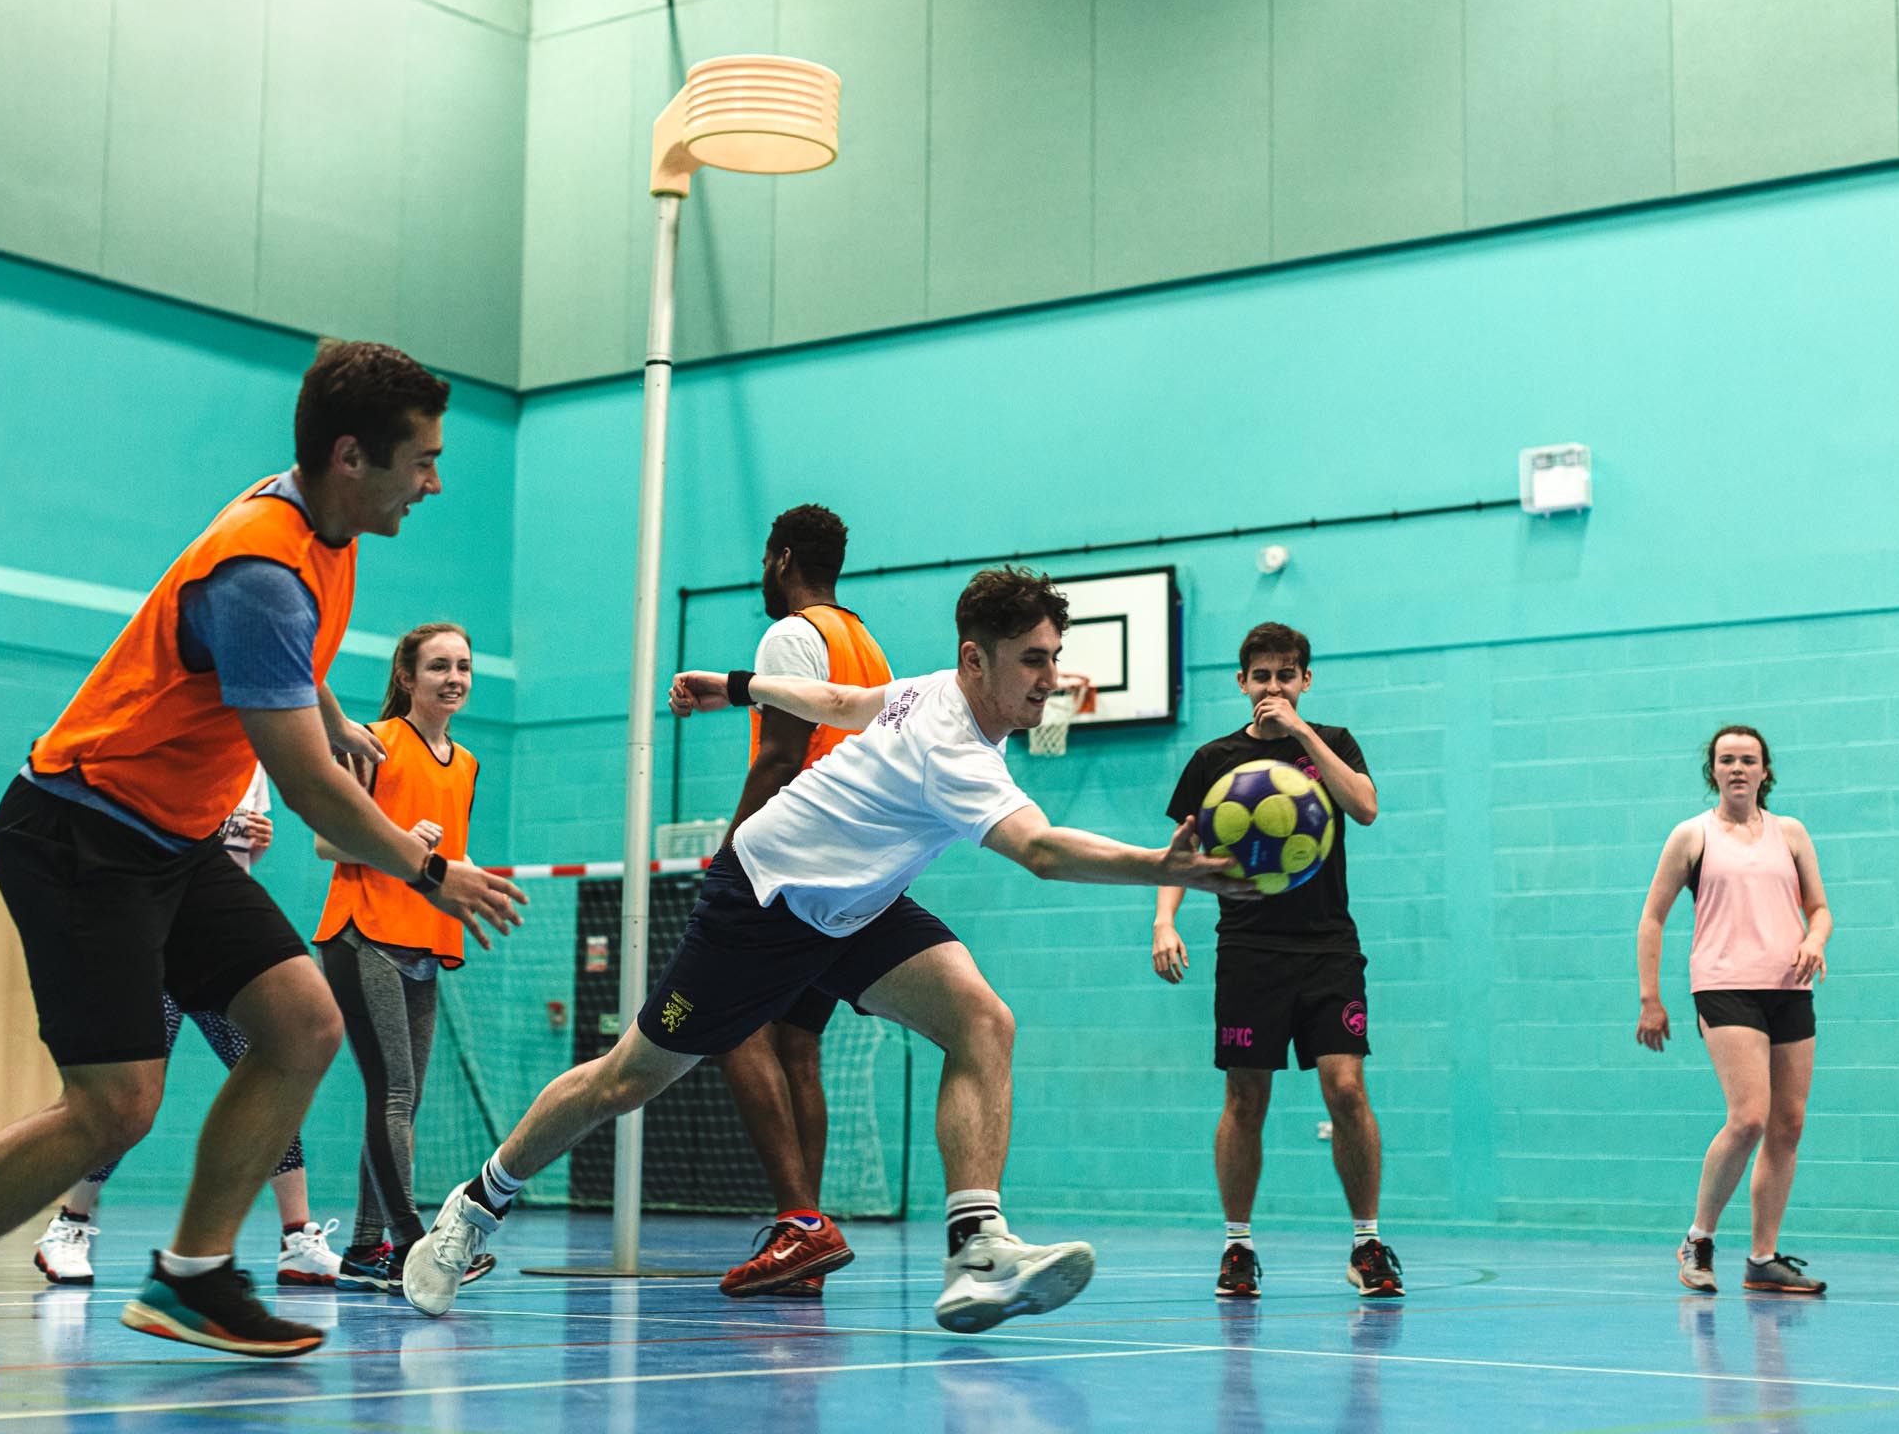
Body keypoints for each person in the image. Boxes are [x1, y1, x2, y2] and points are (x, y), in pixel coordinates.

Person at [0, 342, 525, 1374]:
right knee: (115, 1103)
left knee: (301, 1022)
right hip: (80, 830)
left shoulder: (319, 522)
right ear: (350, 456)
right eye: (419, 460)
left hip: (169, 836)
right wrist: (435, 873)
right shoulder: (262, 569)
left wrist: (325, 704)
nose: (434, 481)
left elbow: (293, 657)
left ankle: (192, 1278)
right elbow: (305, 787)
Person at [397, 567, 1258, 1331]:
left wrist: (735, 685)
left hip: (857, 908)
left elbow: (845, 704)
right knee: (628, 1077)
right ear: (975, 661)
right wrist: (1161, 866)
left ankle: (977, 1250)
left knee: (982, 1022)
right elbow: (1038, 851)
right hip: (764, 900)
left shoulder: (935, 692)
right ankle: (475, 1208)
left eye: (1052, 654)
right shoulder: (956, 748)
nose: (1051, 676)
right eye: (1031, 659)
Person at [1150, 622, 1397, 1300]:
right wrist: (1165, 919)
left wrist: (1304, 733)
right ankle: (1237, 1247)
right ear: (1241, 683)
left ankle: (1367, 1243)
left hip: (1328, 947)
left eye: (1286, 675)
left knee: (1346, 1089)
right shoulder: (1212, 760)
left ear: (1305, 681)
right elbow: (1182, 850)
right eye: (1261, 676)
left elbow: (1367, 808)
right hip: (1249, 949)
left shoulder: (1335, 743)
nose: (1273, 687)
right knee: (1246, 1096)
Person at [33, 770, 342, 1290]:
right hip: (157, 943)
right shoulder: (179, 749)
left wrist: (254, 847)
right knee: (129, 1098)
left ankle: (298, 1240)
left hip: (223, 947)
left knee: (277, 1078)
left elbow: (232, 864)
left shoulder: (257, 765)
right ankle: (68, 1226)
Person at [712, 504, 892, 1300]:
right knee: (798, 1047)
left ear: (781, 558)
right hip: (855, 870)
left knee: (730, 1028)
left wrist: (731, 854)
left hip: (791, 864)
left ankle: (798, 1219)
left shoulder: (791, 635)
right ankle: (807, 1240)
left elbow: (780, 757)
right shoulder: (867, 643)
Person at [315, 623, 495, 1296]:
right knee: (392, 1094)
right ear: (407, 678)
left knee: (404, 1101)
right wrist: (394, 841)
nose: (454, 677)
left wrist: (464, 889)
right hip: (364, 934)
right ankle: (415, 1245)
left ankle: (366, 1249)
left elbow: (449, 864)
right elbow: (327, 843)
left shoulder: (469, 763)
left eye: (464, 667)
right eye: (439, 666)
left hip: (424, 939)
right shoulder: (372, 743)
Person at [1636, 724, 1833, 1296]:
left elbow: (1819, 909)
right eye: (1727, 760)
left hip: (1789, 986)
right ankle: (1698, 1238)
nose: (1739, 768)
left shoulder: (1790, 833)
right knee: (1748, 1117)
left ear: (1765, 770)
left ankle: (1763, 1259)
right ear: (1714, 771)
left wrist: (1814, 940)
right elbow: (1652, 917)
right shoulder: (1691, 836)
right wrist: (1651, 998)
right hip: (1724, 987)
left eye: (1749, 759)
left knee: (1788, 1125)